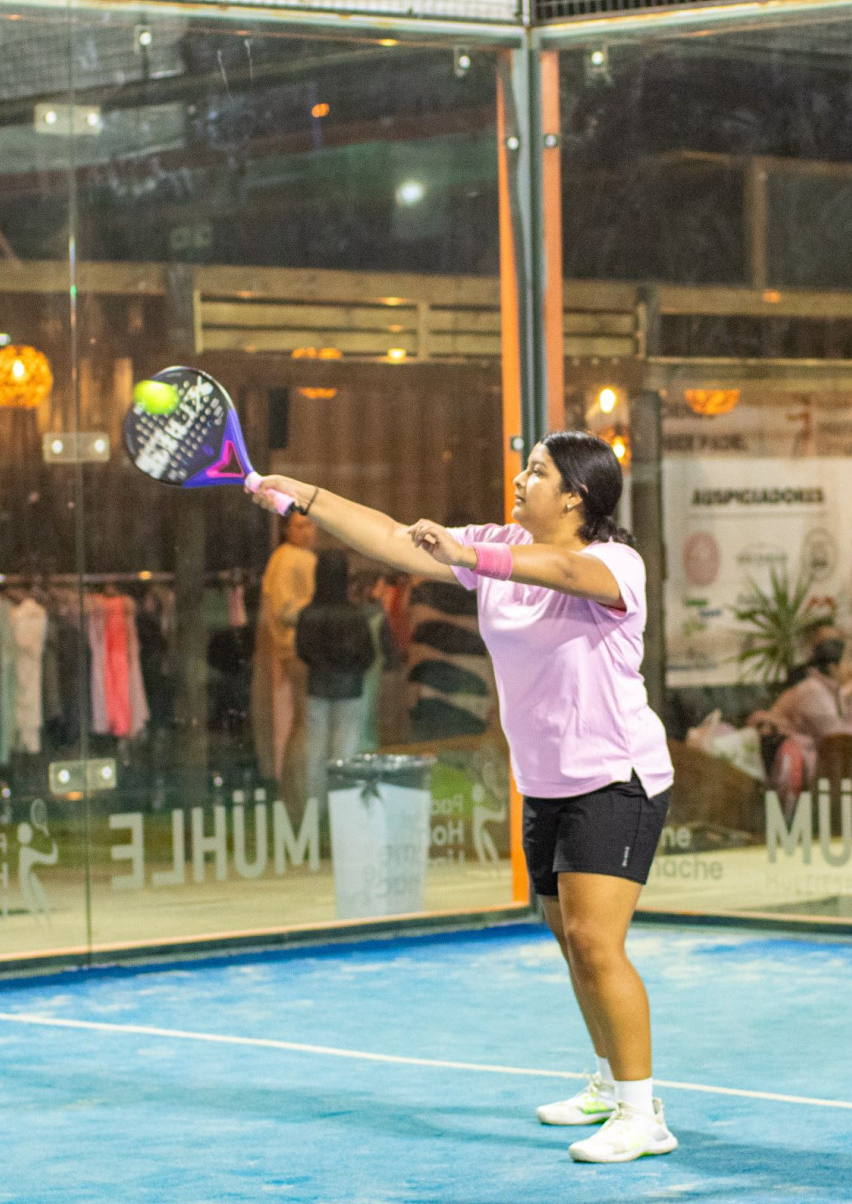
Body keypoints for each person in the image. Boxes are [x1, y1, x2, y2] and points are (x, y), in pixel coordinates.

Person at [247, 432, 679, 1164]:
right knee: (570, 941)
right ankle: (610, 1086)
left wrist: (470, 556)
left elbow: (566, 570)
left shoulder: (615, 562)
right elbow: (391, 538)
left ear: (574, 495)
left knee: (595, 942)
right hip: (545, 780)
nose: (520, 478)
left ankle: (644, 1116)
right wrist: (305, 496)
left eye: (536, 471)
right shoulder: (499, 546)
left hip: (615, 776)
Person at [294, 551, 378, 812]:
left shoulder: (309, 613)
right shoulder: (355, 615)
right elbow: (368, 655)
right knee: (345, 751)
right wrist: (349, 667)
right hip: (350, 688)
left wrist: (323, 665)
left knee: (315, 752)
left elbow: (302, 651)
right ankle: (343, 808)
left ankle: (316, 809)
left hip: (318, 687)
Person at [749, 636, 852, 795]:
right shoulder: (813, 692)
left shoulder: (828, 688)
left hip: (809, 759)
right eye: (849, 661)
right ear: (833, 668)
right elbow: (838, 739)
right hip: (794, 765)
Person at [253, 511, 318, 795]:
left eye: (309, 525)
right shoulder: (287, 559)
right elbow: (283, 610)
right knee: (301, 719)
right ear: (287, 530)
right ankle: (294, 783)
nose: (306, 531)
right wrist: (316, 610)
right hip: (294, 650)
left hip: (300, 650)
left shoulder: (299, 557)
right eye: (299, 526)